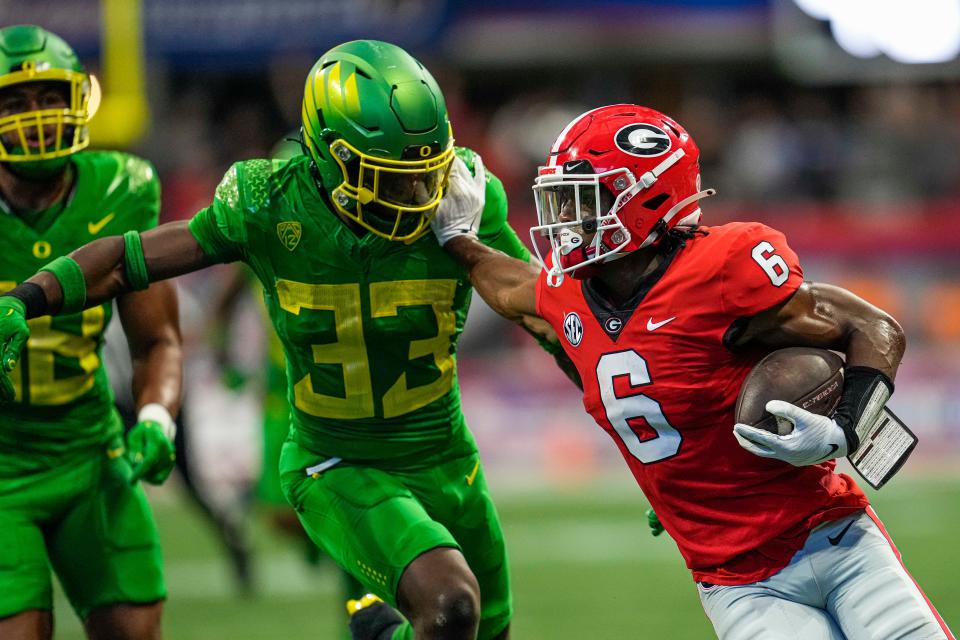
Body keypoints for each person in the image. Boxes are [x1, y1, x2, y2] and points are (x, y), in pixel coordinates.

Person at [0, 40, 561, 640]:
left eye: (424, 177)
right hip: (337, 460)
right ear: (328, 157)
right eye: (390, 179)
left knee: (488, 631)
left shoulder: (461, 196)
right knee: (451, 609)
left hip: (448, 457)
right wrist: (26, 298)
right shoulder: (269, 202)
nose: (414, 198)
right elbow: (129, 260)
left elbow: (543, 313)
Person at [431, 103, 955, 639]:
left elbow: (873, 327)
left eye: (585, 196)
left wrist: (846, 426)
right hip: (738, 584)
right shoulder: (568, 297)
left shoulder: (724, 269)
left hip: (839, 537)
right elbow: (510, 288)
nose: (567, 215)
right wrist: (458, 240)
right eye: (564, 197)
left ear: (647, 197)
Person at [0, 25, 182, 640]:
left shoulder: (121, 188)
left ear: (80, 97)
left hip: (87, 451)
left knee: (135, 630)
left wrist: (156, 416)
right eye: (14, 102)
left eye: (49, 96)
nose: (36, 116)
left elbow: (157, 339)